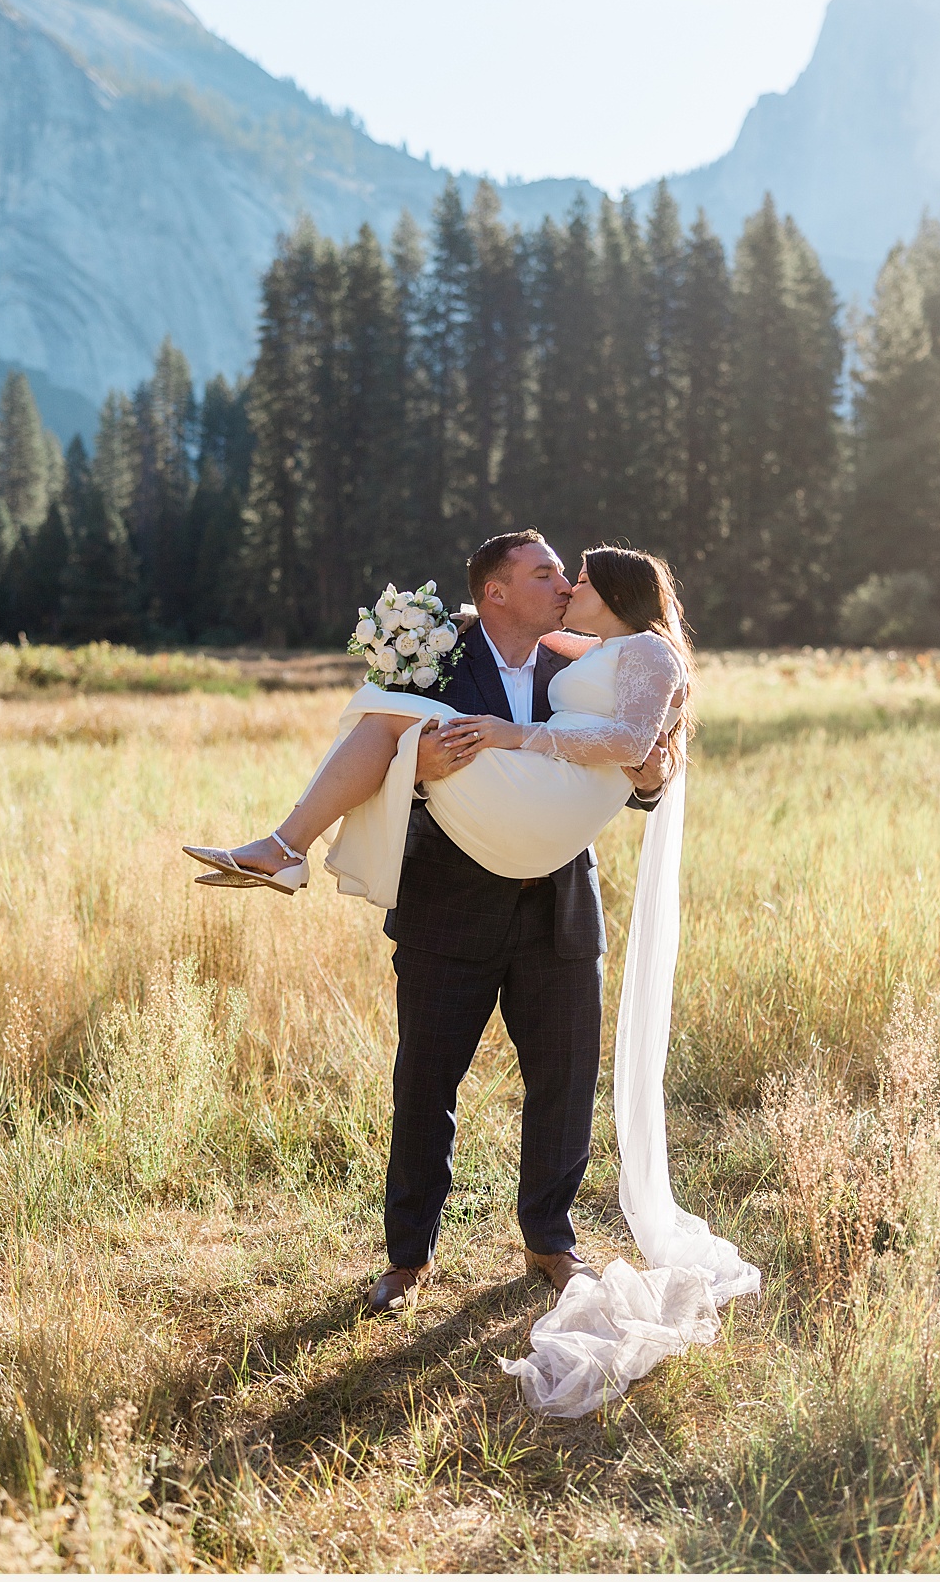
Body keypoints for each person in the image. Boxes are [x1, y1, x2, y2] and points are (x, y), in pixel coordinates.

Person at [184, 532, 696, 1316]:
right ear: (495, 592)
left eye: (565, 571)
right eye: (543, 572)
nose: (563, 583)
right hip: (447, 906)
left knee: (563, 1083)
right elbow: (386, 748)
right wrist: (413, 769)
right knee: (425, 1084)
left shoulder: (586, 659)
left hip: (557, 901)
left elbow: (634, 774)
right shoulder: (437, 651)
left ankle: (549, 1240)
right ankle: (407, 1257)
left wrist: (655, 775)